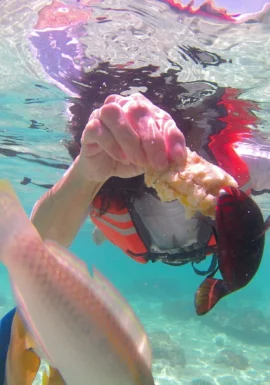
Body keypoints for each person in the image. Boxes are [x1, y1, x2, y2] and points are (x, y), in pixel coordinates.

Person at [1, 0, 270, 383]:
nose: (154, 148)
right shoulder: (99, 179)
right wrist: (86, 171)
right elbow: (28, 248)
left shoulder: (237, 166)